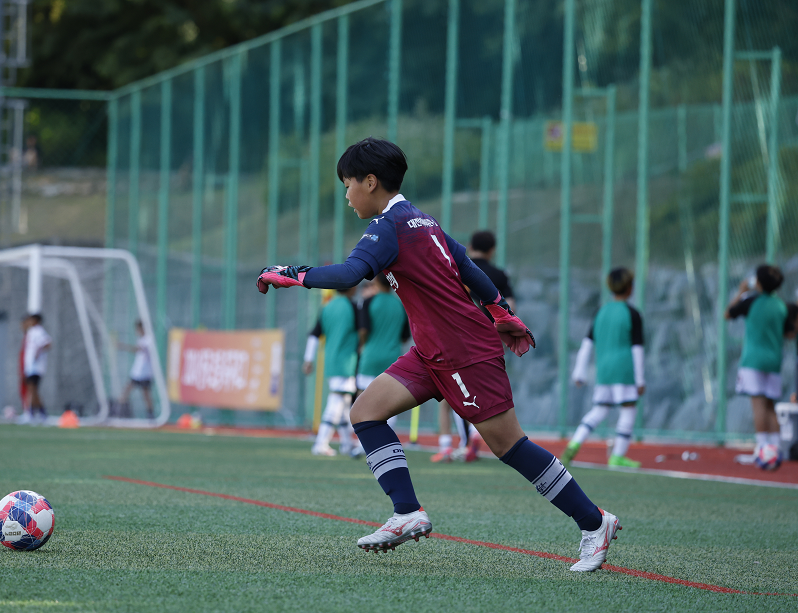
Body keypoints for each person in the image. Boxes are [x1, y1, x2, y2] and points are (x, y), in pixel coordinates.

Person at [257, 137, 619, 572]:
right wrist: (501, 310)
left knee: (509, 445)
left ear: (370, 182)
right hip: (433, 351)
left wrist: (292, 274)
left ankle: (594, 522)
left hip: (463, 350)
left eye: (348, 184)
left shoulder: (387, 226)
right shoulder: (421, 219)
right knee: (365, 412)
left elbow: (351, 274)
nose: (347, 194)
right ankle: (407, 511)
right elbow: (467, 266)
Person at [433, 230, 516, 463]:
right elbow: (510, 307)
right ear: (493, 250)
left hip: (459, 336)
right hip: (491, 340)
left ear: (469, 246)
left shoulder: (457, 269)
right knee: (484, 390)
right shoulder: (499, 275)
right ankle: (479, 437)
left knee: (452, 391)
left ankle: (454, 444)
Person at [562, 268, 645, 469]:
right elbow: (637, 349)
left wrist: (579, 372)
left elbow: (587, 344)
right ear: (630, 288)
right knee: (628, 410)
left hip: (604, 371)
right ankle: (617, 456)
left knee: (599, 409)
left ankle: (573, 444)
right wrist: (640, 379)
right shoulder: (632, 314)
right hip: (624, 370)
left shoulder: (601, 311)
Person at [726, 265, 793, 465]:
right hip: (774, 361)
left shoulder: (751, 301)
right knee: (770, 405)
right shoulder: (781, 306)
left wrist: (741, 291)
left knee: (758, 405)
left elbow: (728, 314)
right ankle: (776, 449)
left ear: (759, 283)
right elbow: (789, 333)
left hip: (753, 360)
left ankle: (762, 449)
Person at [303, 287, 360, 456]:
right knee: (337, 401)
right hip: (347, 361)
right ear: (352, 287)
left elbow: (314, 334)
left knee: (344, 402)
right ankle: (320, 443)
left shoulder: (327, 306)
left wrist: (308, 359)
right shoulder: (353, 306)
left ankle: (346, 444)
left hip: (331, 361)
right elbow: (363, 332)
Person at [356, 274, 410, 432]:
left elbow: (363, 330)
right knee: (389, 401)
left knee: (363, 399)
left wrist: (363, 344)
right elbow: (405, 337)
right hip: (392, 359)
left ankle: (363, 439)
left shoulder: (368, 302)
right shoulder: (400, 305)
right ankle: (388, 436)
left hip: (370, 357)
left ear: (376, 281)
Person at [17, 313, 52, 424]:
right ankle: (40, 413)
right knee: (33, 390)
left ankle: (31, 414)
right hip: (31, 366)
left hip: (36, 367)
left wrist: (38, 351)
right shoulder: (31, 332)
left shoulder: (38, 331)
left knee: (32, 390)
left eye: (31, 320)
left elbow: (48, 343)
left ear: (36, 321)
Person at [116, 320, 155, 419]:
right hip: (137, 372)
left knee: (146, 394)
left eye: (138, 329)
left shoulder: (148, 339)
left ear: (142, 329)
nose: (137, 331)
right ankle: (118, 411)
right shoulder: (141, 339)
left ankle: (150, 414)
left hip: (145, 372)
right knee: (127, 390)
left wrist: (122, 346)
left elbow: (138, 349)